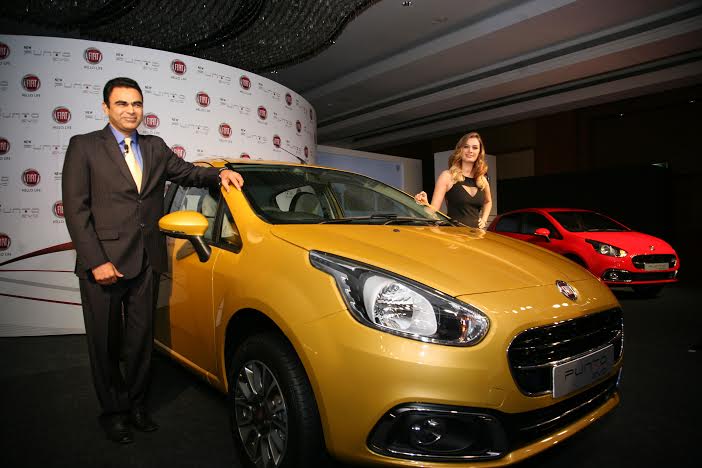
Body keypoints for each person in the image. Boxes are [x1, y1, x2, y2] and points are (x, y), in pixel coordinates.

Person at [61, 77, 243, 444]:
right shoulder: (84, 146)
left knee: (141, 341)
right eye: (122, 104)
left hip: (147, 260)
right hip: (104, 264)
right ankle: (113, 412)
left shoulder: (155, 147)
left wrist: (220, 173)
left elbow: (189, 172)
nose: (131, 110)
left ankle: (137, 406)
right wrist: (96, 261)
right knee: (105, 344)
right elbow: (76, 210)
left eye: (137, 104)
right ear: (106, 108)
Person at [415, 132, 492, 228]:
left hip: (476, 235)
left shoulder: (482, 180)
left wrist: (484, 220)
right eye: (466, 147)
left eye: (475, 147)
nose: (470, 151)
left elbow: (488, 202)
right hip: (454, 234)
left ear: (479, 152)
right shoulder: (447, 176)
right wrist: (425, 205)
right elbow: (433, 210)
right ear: (460, 150)